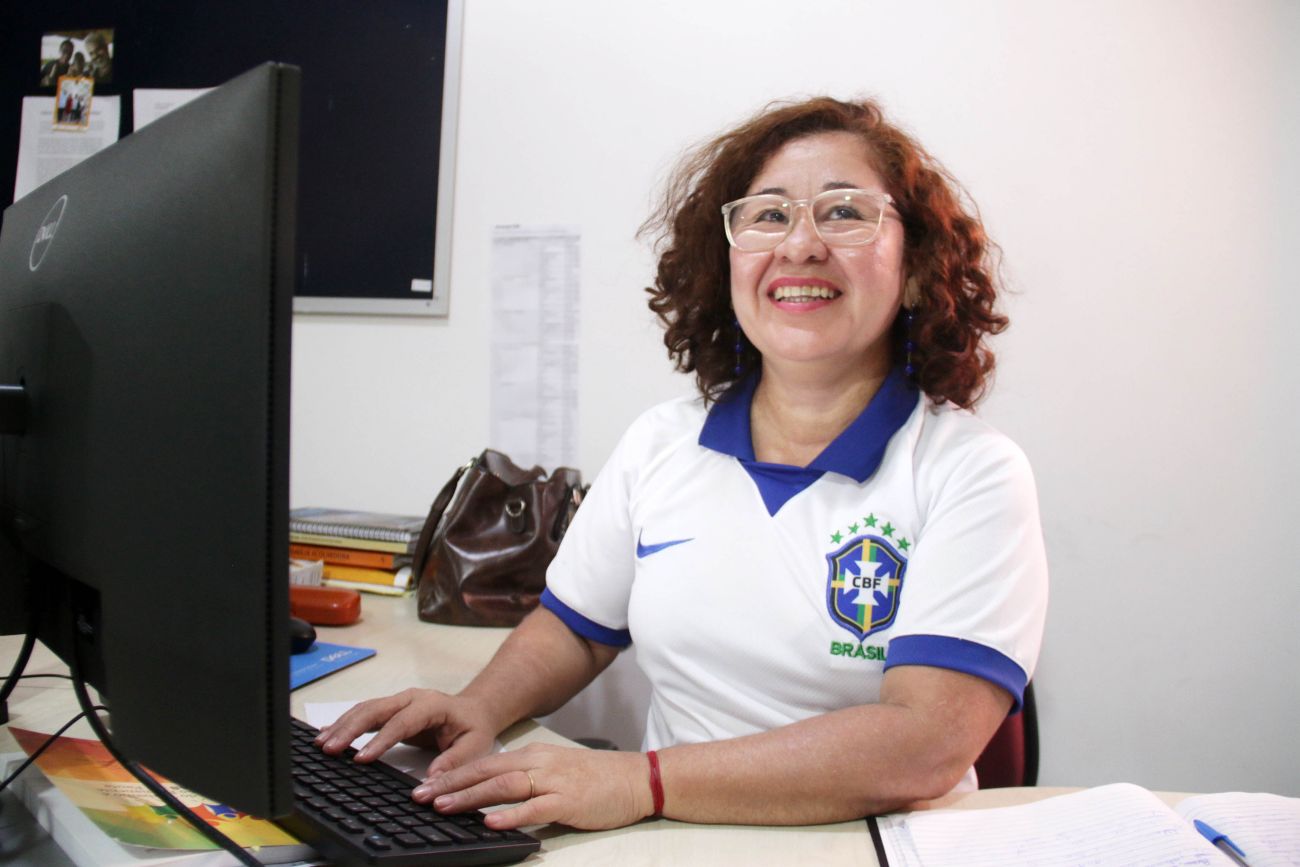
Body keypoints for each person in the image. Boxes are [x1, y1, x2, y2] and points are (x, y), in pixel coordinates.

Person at [317, 96, 1049, 831]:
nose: (799, 245)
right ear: (727, 262)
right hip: (673, 842)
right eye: (767, 215)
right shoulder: (661, 442)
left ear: (917, 266)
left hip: (873, 847)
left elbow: (923, 746)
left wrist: (643, 781)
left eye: (844, 212)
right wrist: (475, 705)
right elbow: (573, 627)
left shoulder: (972, 472)